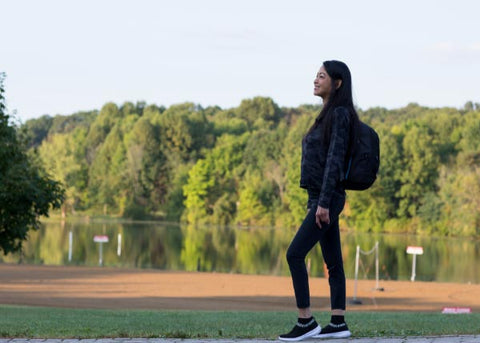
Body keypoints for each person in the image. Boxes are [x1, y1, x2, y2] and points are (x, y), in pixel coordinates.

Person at [279, 60, 359, 341]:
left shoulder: (338, 114)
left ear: (336, 83)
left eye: (321, 76)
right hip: (322, 196)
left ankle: (306, 321)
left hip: (327, 197)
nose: (315, 80)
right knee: (333, 262)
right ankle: (338, 322)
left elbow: (335, 160)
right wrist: (319, 199)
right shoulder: (329, 113)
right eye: (316, 75)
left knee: (294, 254)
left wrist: (323, 203)